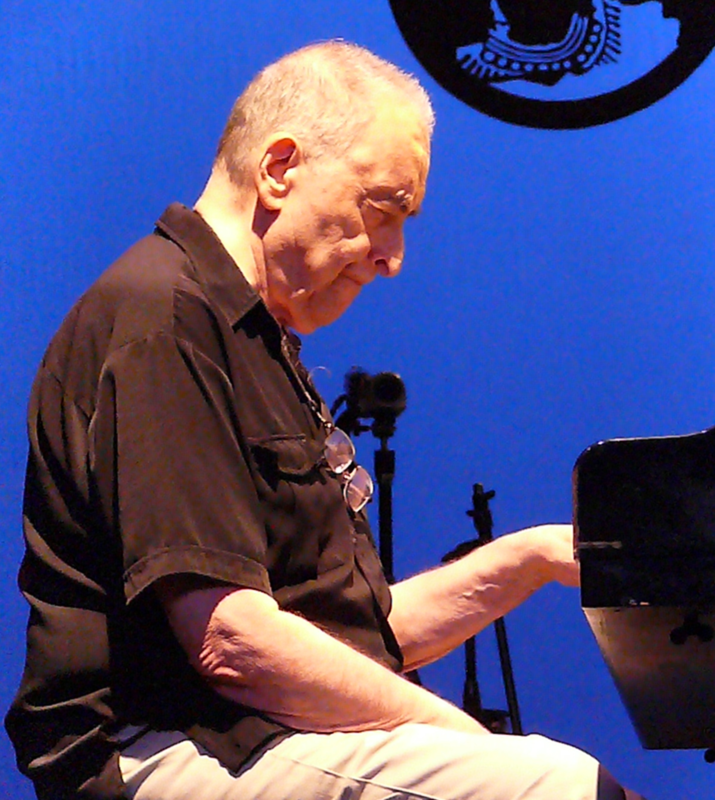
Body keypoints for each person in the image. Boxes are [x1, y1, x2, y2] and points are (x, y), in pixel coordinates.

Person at [6, 41, 645, 800]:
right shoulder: (166, 316)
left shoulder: (252, 344)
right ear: (279, 169)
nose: (393, 257)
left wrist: (533, 557)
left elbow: (354, 641)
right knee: (564, 788)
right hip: (158, 750)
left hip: (254, 737)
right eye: (384, 208)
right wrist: (464, 738)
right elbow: (231, 638)